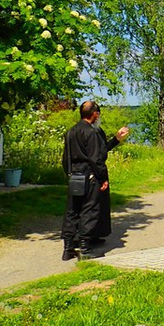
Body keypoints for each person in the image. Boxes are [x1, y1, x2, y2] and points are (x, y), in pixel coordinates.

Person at [61, 100, 129, 260]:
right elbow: (96, 158)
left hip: (75, 176)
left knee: (72, 212)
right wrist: (103, 178)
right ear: (95, 114)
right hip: (90, 176)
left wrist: (115, 140)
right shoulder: (91, 133)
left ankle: (68, 248)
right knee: (89, 211)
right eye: (99, 114)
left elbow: (66, 158)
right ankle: (85, 249)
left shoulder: (71, 131)